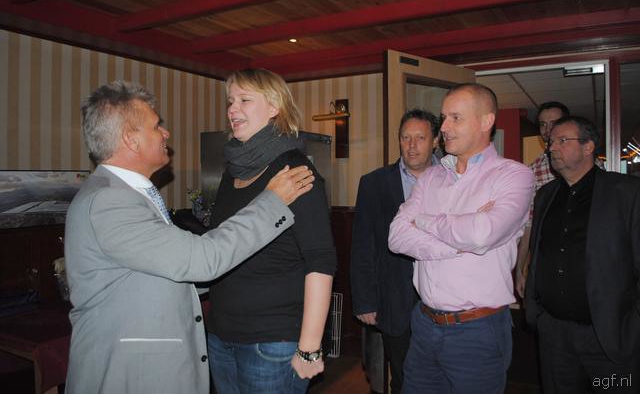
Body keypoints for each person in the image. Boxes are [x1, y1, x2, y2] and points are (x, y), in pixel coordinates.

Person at [64, 81, 315, 394]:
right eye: (157, 126)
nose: (166, 133)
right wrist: (272, 201)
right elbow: (200, 261)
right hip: (131, 373)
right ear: (131, 139)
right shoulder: (109, 201)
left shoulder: (124, 194)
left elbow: (164, 273)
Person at [388, 83, 534, 393]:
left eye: (456, 118)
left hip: (477, 331)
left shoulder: (514, 175)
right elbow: (396, 237)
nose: (444, 127)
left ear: (486, 121)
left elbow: (482, 234)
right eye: (444, 118)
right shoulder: (431, 176)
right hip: (424, 324)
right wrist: (457, 245)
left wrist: (424, 221)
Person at [205, 68, 336, 394]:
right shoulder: (231, 172)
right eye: (230, 101)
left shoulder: (295, 169)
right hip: (221, 336)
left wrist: (309, 347)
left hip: (272, 341)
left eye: (245, 100)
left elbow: (320, 259)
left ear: (275, 106)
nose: (233, 109)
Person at [525, 116, 639, 393]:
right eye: (551, 142)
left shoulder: (626, 192)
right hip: (554, 335)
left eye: (562, 141)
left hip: (608, 337)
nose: (552, 147)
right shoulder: (546, 195)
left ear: (588, 147)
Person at [350, 109, 439, 393]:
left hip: (444, 301)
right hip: (394, 301)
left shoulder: (454, 180)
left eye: (420, 138)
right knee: (403, 379)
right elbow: (362, 244)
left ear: (436, 140)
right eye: (405, 138)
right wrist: (365, 301)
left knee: (441, 379)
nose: (411, 145)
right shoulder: (374, 183)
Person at [515, 101, 570, 297]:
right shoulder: (533, 170)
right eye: (543, 124)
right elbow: (528, 225)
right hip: (548, 261)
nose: (548, 130)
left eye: (554, 123)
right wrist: (520, 270)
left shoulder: (588, 163)